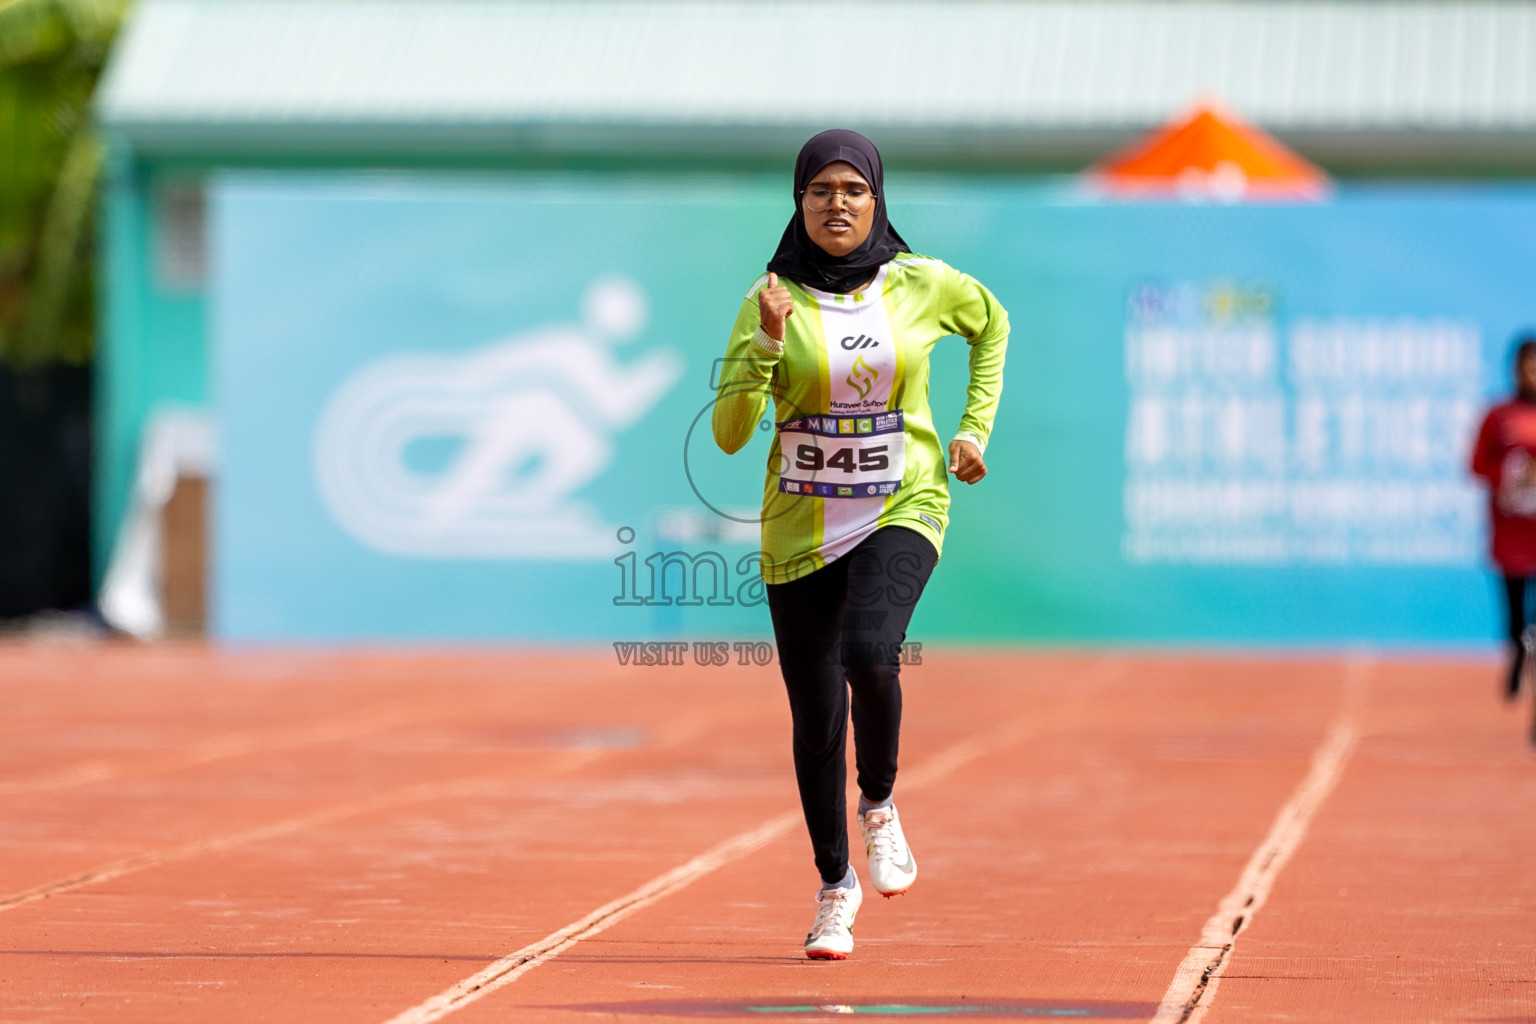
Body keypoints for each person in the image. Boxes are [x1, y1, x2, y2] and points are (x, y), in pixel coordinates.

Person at [712, 129, 1008, 959]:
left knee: (872, 651)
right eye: (819, 191)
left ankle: (878, 804)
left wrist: (972, 428)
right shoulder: (767, 299)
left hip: (902, 503)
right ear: (798, 204)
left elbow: (993, 325)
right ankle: (834, 887)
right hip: (800, 527)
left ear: (877, 200)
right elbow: (733, 435)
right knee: (816, 720)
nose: (836, 204)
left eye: (853, 190)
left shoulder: (922, 283)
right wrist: (766, 343)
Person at [1471, 332, 1536, 742]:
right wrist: (1509, 480)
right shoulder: (1498, 416)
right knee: (1517, 623)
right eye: (1527, 366)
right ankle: (1516, 653)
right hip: (1511, 537)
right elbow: (1476, 464)